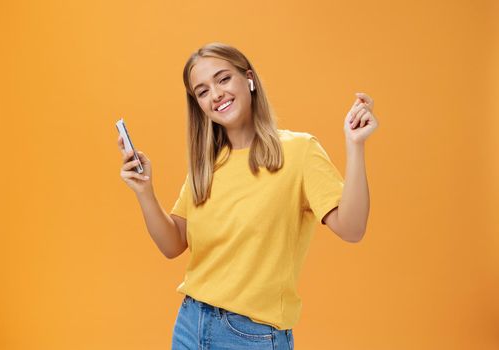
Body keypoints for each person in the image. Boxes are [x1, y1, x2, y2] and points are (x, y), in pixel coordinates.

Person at [117, 42, 378, 350]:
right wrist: (145, 191)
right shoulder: (206, 165)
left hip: (250, 335)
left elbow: (352, 228)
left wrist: (355, 146)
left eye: (223, 79)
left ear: (249, 79)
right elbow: (173, 244)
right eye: (202, 91)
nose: (215, 94)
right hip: (190, 322)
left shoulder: (298, 151)